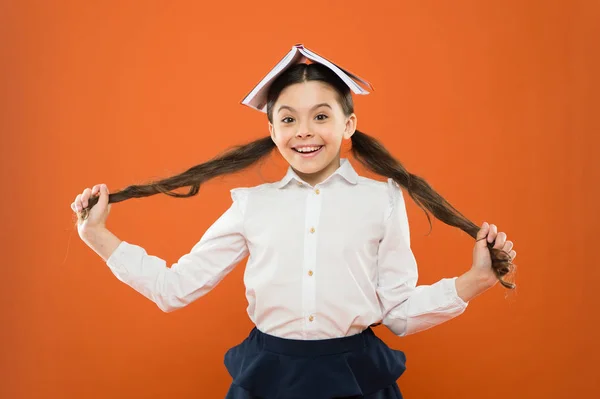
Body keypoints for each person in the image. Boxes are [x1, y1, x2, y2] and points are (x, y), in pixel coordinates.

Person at [70, 45, 517, 399]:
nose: (303, 130)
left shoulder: (382, 200)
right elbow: (175, 289)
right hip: (266, 377)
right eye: (288, 119)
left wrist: (475, 281)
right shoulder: (251, 205)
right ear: (272, 131)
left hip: (356, 378)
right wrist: (98, 236)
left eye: (321, 116)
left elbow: (398, 313)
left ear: (349, 125)